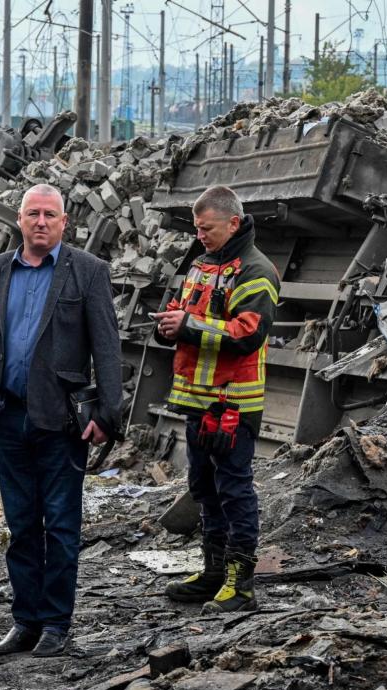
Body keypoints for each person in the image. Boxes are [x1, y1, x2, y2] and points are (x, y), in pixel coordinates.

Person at [0, 183, 122, 658]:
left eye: (50, 215)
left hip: (61, 421)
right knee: (20, 525)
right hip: (9, 416)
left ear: (64, 222)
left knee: (59, 523)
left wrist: (106, 414)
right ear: (19, 219)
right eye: (33, 213)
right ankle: (25, 621)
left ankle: (56, 623)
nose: (41, 222)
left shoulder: (88, 272)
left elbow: (107, 347)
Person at [154, 185, 280, 613]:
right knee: (204, 490)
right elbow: (180, 308)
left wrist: (186, 325)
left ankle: (240, 585)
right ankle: (212, 573)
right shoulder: (201, 264)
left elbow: (249, 334)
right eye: (196, 228)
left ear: (233, 222)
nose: (200, 235)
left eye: (206, 228)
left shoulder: (256, 271)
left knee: (234, 491)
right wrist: (167, 325)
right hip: (197, 403)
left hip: (233, 407)